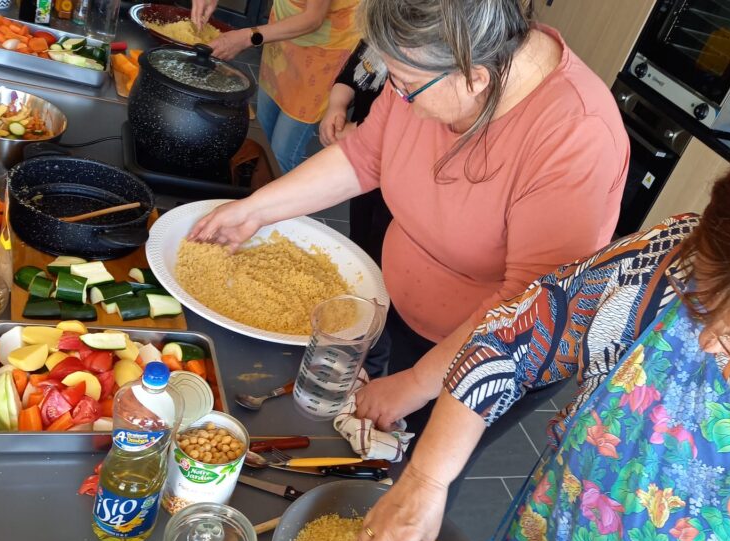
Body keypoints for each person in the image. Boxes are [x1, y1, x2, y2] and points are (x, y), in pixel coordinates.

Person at [353, 135, 730, 541]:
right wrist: (426, 479)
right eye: (703, 302)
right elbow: (508, 340)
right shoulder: (669, 263)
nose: (707, 340)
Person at [190, 0, 629, 435]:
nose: (398, 97)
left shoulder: (577, 135)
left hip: (486, 354)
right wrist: (256, 209)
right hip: (403, 304)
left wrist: (418, 382)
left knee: (409, 458)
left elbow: (528, 303)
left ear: (475, 78)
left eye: (407, 86)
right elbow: (365, 155)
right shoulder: (432, 61)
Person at [191, 0, 360, 174]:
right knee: (262, 135)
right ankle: (256, 182)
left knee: (280, 156)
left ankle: (273, 187)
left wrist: (247, 37)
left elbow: (312, 19)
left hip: (321, 56)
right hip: (282, 39)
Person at [319, 40, 392, 268]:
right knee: (359, 229)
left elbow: (406, 118)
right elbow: (351, 74)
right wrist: (336, 107)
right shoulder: (380, 34)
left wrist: (358, 130)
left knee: (381, 243)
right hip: (363, 158)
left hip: (393, 170)